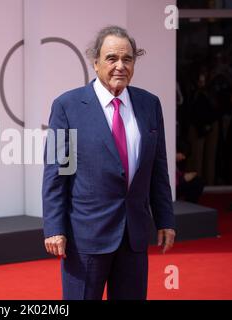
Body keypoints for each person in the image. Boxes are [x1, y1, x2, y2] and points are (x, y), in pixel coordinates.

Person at [42, 26, 176, 300]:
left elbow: (158, 168)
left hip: (134, 236)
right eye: (112, 58)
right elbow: (58, 172)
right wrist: (55, 228)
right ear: (95, 62)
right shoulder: (67, 106)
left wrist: (165, 219)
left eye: (127, 59)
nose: (120, 66)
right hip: (86, 238)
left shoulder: (150, 105)